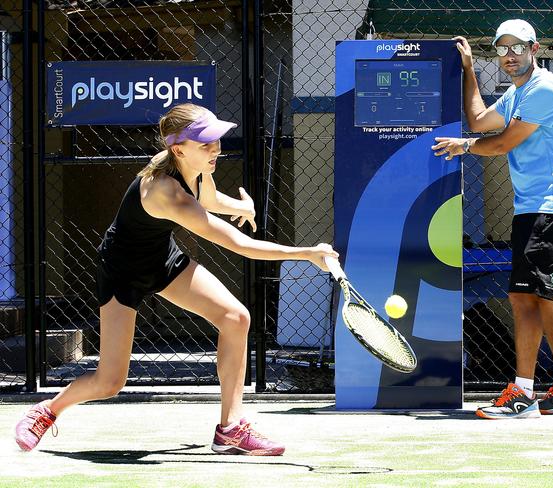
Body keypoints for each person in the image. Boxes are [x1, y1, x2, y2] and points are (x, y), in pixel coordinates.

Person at [15, 103, 338, 453]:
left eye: (215, 140)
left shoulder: (193, 165)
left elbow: (209, 197)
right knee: (110, 381)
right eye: (206, 144)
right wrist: (306, 252)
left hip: (163, 259)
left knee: (235, 317)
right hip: (123, 271)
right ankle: (46, 411)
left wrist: (240, 208)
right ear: (178, 148)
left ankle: (230, 428)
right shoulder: (167, 193)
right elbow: (240, 245)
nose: (215, 149)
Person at [432, 19, 553, 419]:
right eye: (502, 49)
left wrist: (464, 147)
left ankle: (525, 394)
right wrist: (469, 70)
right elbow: (480, 121)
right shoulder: (517, 96)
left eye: (518, 47)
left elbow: (499, 143)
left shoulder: (543, 89)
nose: (510, 55)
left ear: (534, 49)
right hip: (532, 209)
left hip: (550, 208)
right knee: (529, 297)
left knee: (540, 297)